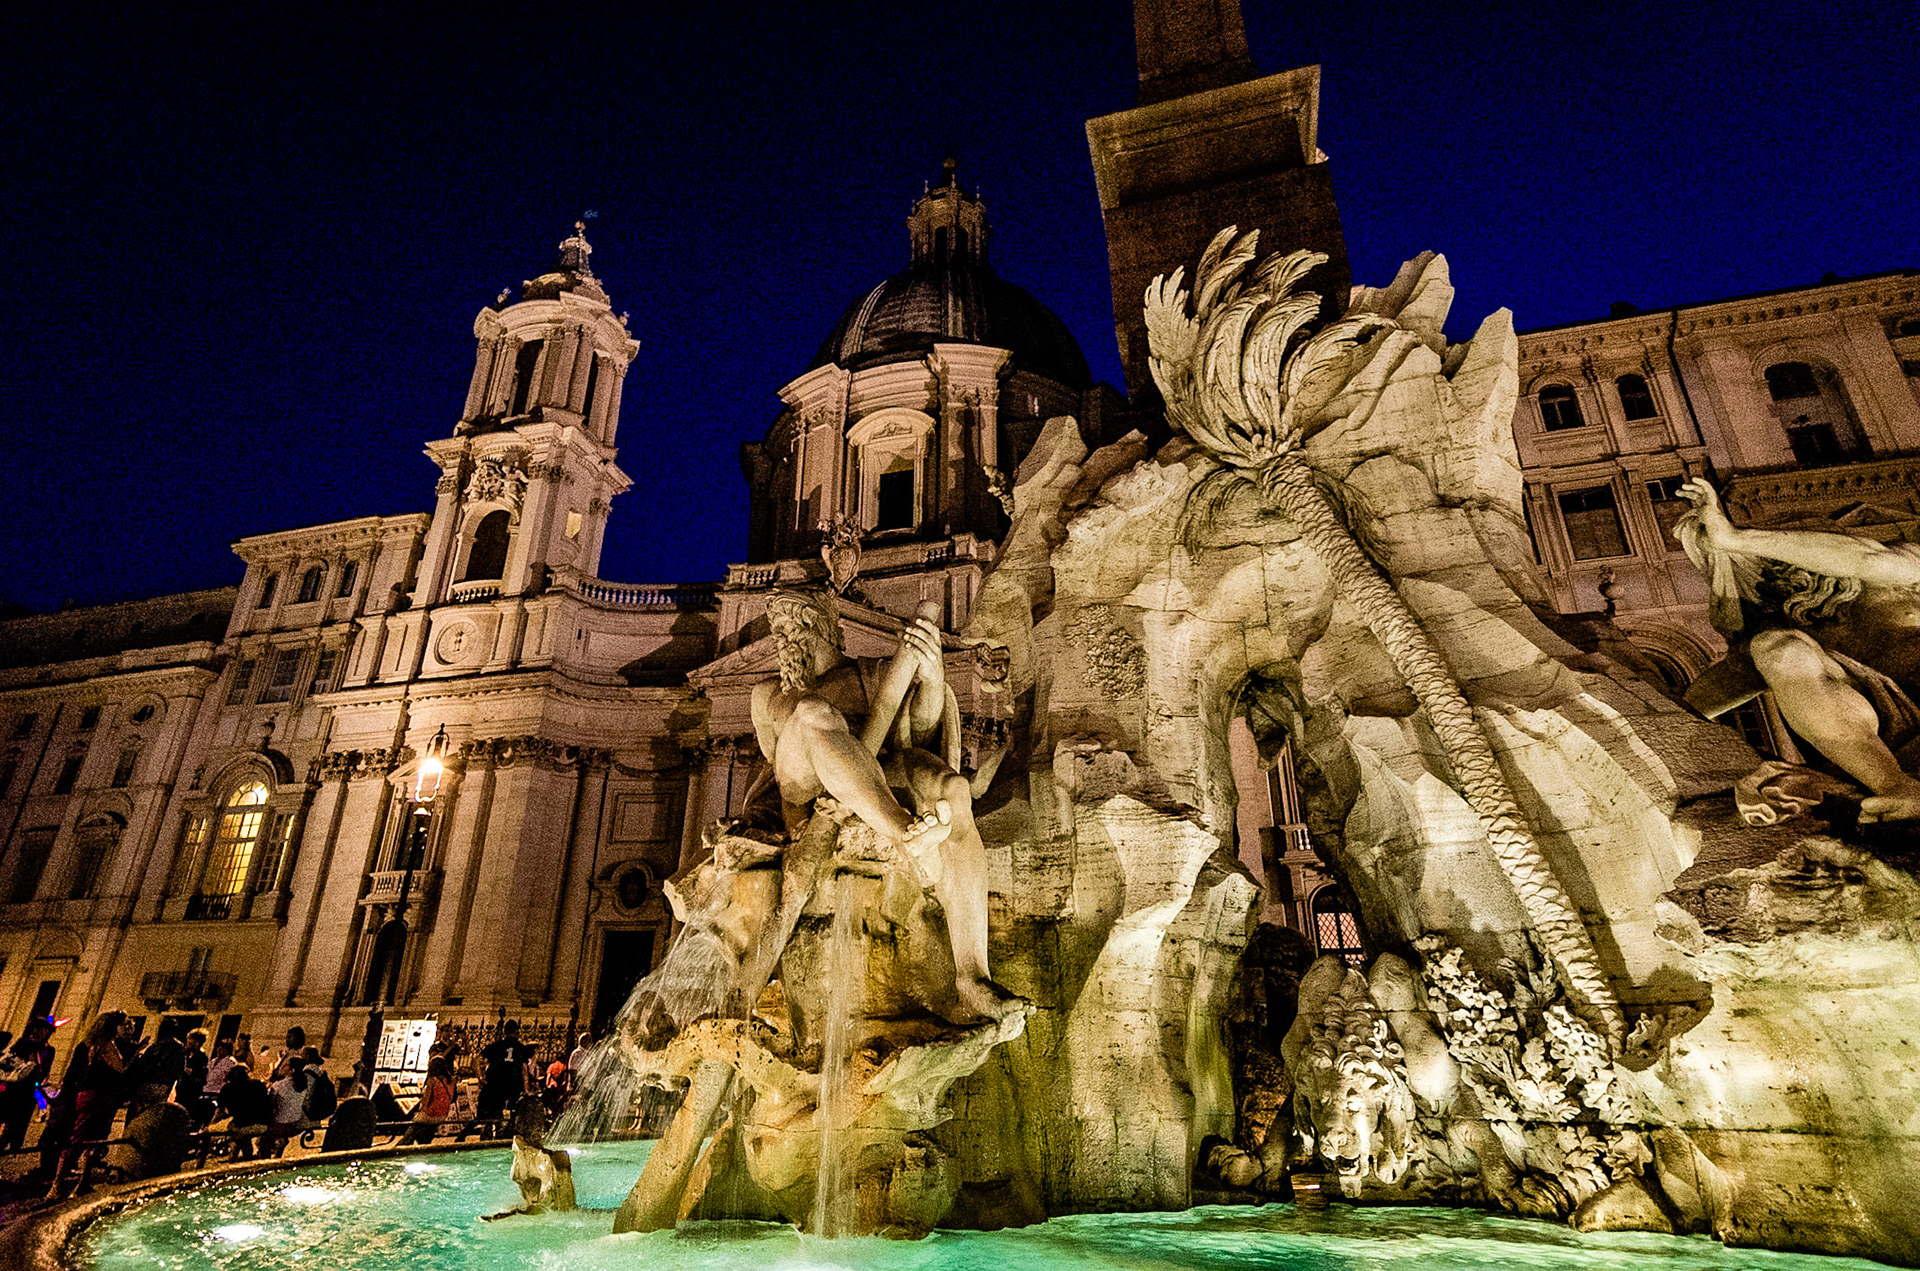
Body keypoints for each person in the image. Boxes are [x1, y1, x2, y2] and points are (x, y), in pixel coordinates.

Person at [751, 589, 1016, 1023]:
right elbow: (774, 774)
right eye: (779, 630)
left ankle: (972, 975)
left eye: (797, 625)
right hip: (808, 792)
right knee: (813, 712)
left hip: (876, 773)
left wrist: (931, 676)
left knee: (954, 791)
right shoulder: (767, 696)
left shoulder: (870, 673)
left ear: (829, 631)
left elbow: (923, 725)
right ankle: (905, 832)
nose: (785, 638)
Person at [1678, 477, 1920, 823]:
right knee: (1777, 648)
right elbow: (1689, 709)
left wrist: (1733, 538)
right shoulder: (1792, 630)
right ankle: (1896, 788)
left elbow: (1867, 560)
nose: (1786, 566)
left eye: (1785, 552)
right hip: (1890, 741)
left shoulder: (1900, 573)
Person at [47, 1012, 134, 1196]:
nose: (125, 1028)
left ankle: (71, 1183)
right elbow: (120, 1070)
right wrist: (135, 1054)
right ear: (112, 1026)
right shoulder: (106, 1045)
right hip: (98, 1096)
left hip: (87, 1094)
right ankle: (59, 1184)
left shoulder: (88, 1043)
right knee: (86, 1140)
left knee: (85, 1139)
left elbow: (74, 1072)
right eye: (122, 1024)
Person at [0, 1017, 57, 1152]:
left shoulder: (48, 1050)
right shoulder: (22, 1044)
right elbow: (12, 1063)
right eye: (37, 1029)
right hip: (14, 1088)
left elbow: (44, 1069)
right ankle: (4, 1141)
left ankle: (12, 1143)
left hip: (29, 1090)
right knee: (9, 1120)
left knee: (18, 1122)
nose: (39, 1033)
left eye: (44, 1030)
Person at [125, 1019, 185, 1122]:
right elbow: (179, 1069)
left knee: (138, 1113)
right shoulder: (179, 1047)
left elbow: (144, 1065)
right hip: (165, 1086)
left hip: (148, 1083)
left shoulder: (156, 1046)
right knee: (154, 1115)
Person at [476, 1021, 531, 1130]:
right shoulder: (521, 1048)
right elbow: (524, 1070)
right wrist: (526, 1089)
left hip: (495, 1082)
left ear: (504, 1032)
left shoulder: (496, 1046)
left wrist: (480, 1077)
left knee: (493, 1109)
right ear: (517, 1032)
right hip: (513, 1083)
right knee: (511, 1110)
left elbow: (476, 1060)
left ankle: (490, 1129)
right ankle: (505, 1130)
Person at [216, 1062, 272, 1160]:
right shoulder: (258, 1084)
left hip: (241, 1124)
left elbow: (219, 1111)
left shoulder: (227, 1089)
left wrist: (211, 1124)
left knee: (240, 1133)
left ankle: (245, 1156)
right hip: (263, 1123)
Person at [262, 1058, 312, 1158]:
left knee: (263, 1141)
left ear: (291, 1070)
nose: (282, 1067)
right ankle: (278, 1151)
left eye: (285, 1066)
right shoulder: (303, 1085)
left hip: (279, 1124)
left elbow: (270, 1104)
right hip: (293, 1122)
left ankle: (265, 1159)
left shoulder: (279, 1085)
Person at [401, 1054, 454, 1145]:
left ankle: (403, 1144)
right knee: (426, 1132)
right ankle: (423, 1141)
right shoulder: (451, 1080)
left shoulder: (432, 1080)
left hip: (430, 1114)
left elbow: (427, 1099)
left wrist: (419, 1111)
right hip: (442, 1114)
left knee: (413, 1128)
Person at [199, 1038, 236, 1126]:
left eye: (222, 1048)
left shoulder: (231, 1063)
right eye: (218, 1047)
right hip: (205, 1091)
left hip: (217, 1093)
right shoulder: (212, 1061)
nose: (219, 1050)